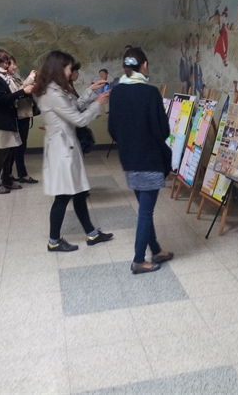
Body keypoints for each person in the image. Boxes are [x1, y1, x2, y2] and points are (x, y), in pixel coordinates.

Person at [33, 50, 113, 252]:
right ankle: (54, 241)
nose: (71, 72)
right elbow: (79, 119)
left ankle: (92, 233)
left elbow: (74, 106)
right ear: (60, 68)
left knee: (79, 192)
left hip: (66, 145)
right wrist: (97, 104)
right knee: (63, 196)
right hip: (62, 150)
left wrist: (91, 91)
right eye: (69, 68)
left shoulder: (56, 89)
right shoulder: (52, 94)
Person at [108, 47, 174, 274]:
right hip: (150, 160)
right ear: (144, 65)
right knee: (146, 212)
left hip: (129, 159)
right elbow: (163, 130)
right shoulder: (150, 93)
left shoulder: (116, 92)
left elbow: (112, 129)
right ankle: (138, 260)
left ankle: (156, 249)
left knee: (145, 207)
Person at [0, 49, 32, 194]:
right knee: (3, 152)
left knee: (10, 150)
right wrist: (23, 92)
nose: (8, 64)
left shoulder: (4, 77)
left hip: (10, 117)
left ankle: (6, 180)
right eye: (5, 62)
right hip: (3, 118)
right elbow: (2, 99)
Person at [7, 56, 38, 184]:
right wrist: (30, 79)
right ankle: (21, 174)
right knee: (18, 146)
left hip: (23, 114)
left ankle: (11, 173)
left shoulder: (14, 78)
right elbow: (17, 93)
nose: (15, 67)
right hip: (17, 116)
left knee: (19, 146)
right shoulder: (6, 80)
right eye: (12, 64)